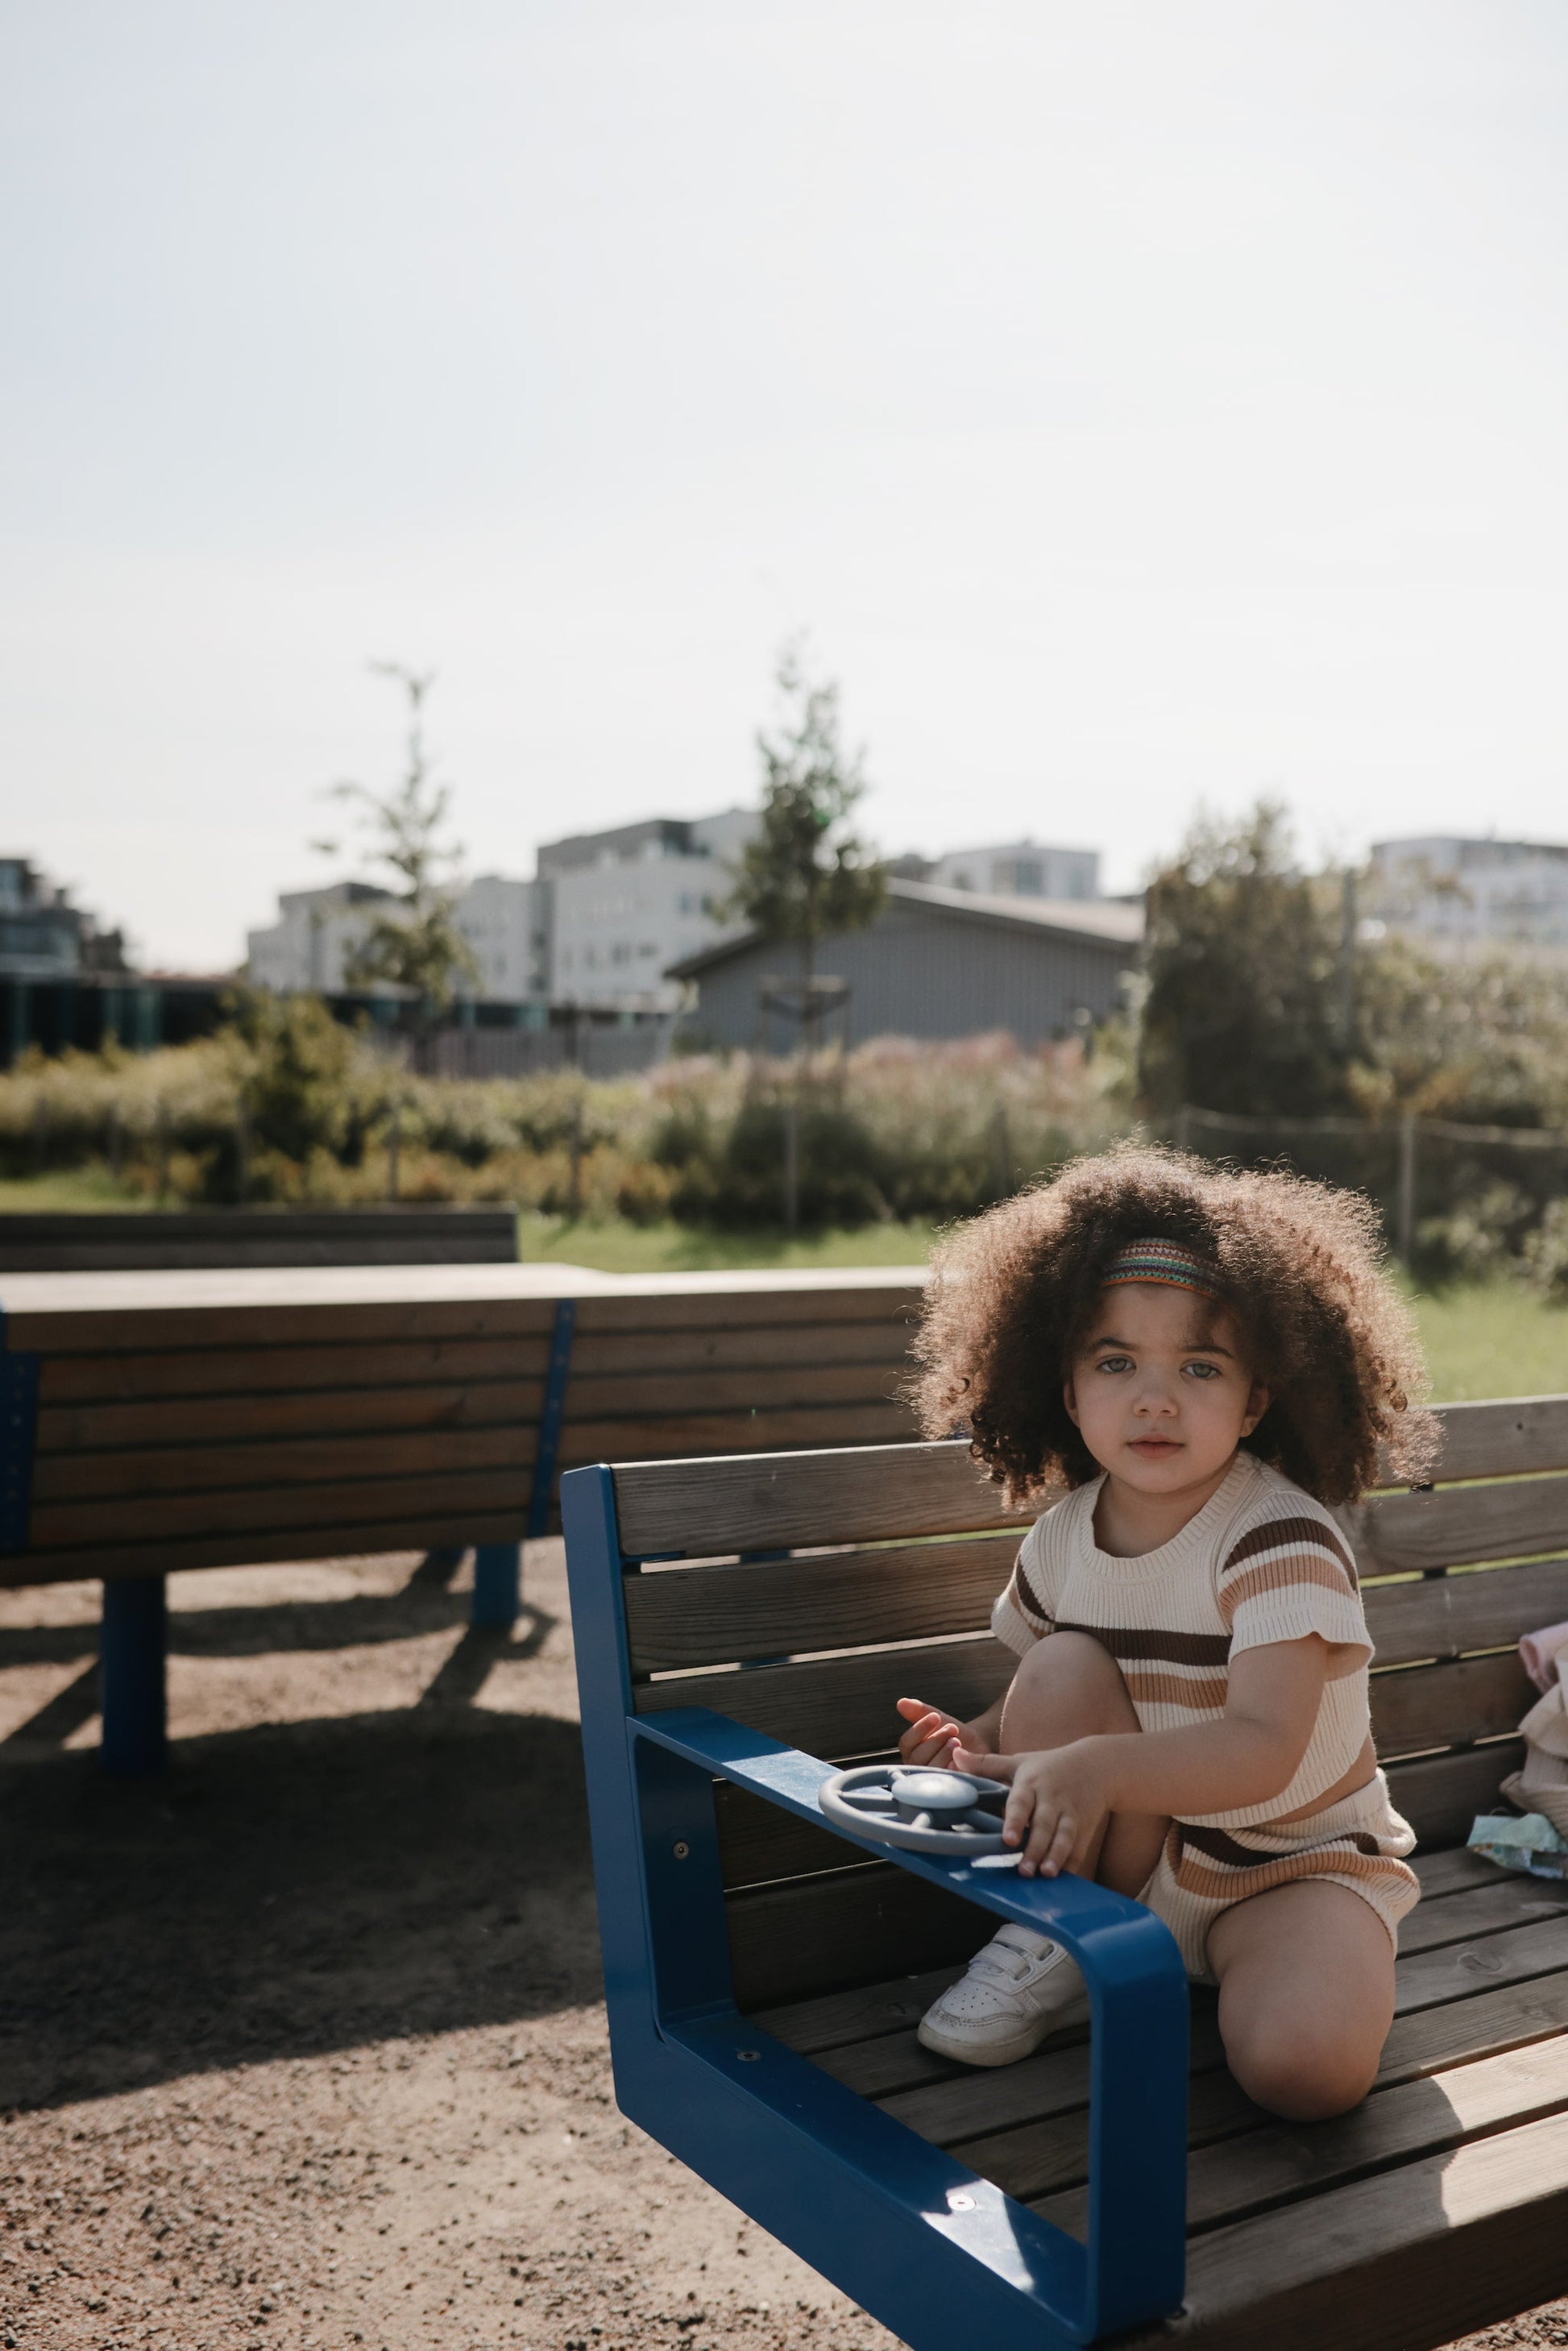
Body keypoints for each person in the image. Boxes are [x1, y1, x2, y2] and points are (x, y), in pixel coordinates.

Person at [896, 1145, 1436, 2122]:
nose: (1154, 1398)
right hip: (1125, 1865)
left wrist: (1095, 1768)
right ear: (1068, 1392)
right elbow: (1047, 1706)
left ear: (1254, 1399)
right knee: (1059, 1663)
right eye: (1115, 1363)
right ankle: (1067, 1939)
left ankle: (1292, 1966)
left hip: (1291, 1868)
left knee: (1304, 2072)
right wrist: (969, 1744)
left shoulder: (1277, 1538)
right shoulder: (1062, 1537)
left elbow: (1264, 1746)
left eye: (1199, 1365)